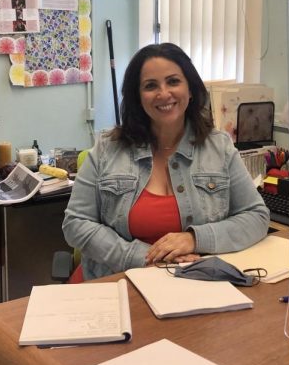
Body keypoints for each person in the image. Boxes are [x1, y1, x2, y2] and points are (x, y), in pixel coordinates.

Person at [63, 43, 270, 280]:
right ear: (137, 97)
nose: (163, 93)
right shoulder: (107, 149)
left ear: (190, 89)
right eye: (151, 86)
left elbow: (256, 216)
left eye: (173, 81)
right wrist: (143, 257)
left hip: (195, 282)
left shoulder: (219, 147)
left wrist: (194, 239)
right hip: (116, 280)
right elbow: (76, 223)